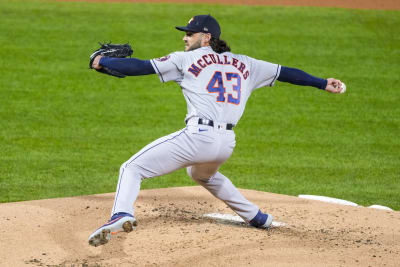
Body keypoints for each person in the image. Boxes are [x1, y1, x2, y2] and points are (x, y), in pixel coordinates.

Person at [88, 14, 345, 247]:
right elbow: (286, 73)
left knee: (132, 168)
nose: (184, 37)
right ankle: (257, 217)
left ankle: (122, 213)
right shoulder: (246, 63)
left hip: (198, 137)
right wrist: (322, 83)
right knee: (203, 174)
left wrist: (101, 61)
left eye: (190, 33)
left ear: (207, 37)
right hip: (226, 143)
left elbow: (140, 67)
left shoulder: (185, 59)